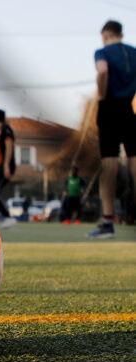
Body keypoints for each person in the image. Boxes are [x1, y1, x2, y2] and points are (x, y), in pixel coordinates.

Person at [88, 21, 135, 238]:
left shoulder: (102, 51)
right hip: (129, 108)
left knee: (109, 165)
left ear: (106, 34)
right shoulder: (134, 53)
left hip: (109, 107)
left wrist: (102, 93)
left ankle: (108, 223)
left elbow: (103, 70)